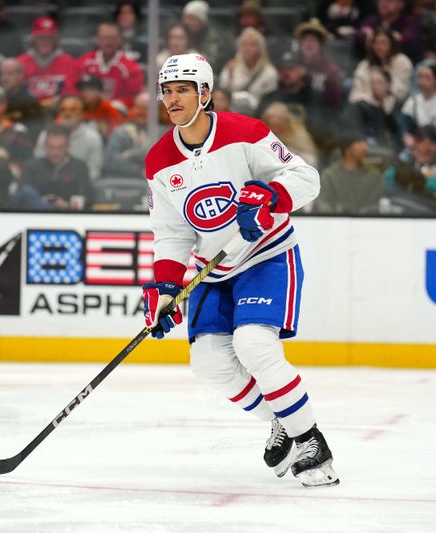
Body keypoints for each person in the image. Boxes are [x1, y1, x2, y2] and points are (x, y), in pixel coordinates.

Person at [142, 53, 339, 488]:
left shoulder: (244, 132)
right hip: (214, 270)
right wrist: (166, 286)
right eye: (167, 91)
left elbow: (306, 178)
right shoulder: (158, 161)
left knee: (254, 345)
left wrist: (268, 195)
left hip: (267, 255)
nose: (172, 99)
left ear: (205, 93)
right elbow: (172, 233)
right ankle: (286, 422)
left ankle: (313, 442)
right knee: (208, 362)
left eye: (182, 90)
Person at [77, 21, 144, 111]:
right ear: (97, 39)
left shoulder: (131, 68)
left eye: (112, 38)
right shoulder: (83, 62)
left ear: (119, 40)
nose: (108, 42)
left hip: (116, 116)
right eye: (104, 38)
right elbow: (73, 90)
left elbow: (133, 98)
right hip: (88, 113)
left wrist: (112, 106)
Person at [24, 124, 94, 211]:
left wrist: (68, 205)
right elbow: (22, 196)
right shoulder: (32, 167)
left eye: (60, 148)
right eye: (52, 147)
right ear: (45, 146)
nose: (55, 153)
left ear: (68, 147)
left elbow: (88, 199)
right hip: (36, 216)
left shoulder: (79, 168)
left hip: (69, 217)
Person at [34, 96, 103, 181]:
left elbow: (94, 172)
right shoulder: (45, 135)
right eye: (63, 110)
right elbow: (37, 166)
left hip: (80, 186)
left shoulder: (92, 138)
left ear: (82, 113)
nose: (67, 114)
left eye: (73, 110)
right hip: (47, 183)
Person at [314, 132, 384, 214]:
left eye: (365, 142)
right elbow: (323, 204)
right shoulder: (329, 176)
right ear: (347, 148)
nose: (365, 147)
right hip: (335, 224)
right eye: (359, 142)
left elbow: (379, 203)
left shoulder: (374, 175)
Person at [16, 17, 78, 108]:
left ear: (56, 40)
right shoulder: (20, 62)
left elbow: (73, 95)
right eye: (41, 38)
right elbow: (15, 95)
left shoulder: (68, 61)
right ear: (33, 39)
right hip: (29, 114)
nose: (45, 42)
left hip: (59, 111)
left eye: (50, 38)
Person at [218, 27, 279, 116]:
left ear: (260, 48)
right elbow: (223, 92)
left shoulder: (269, 73)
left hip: (258, 115)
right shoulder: (231, 67)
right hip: (232, 113)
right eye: (244, 44)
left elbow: (269, 101)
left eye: (252, 44)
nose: (248, 48)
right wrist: (230, 75)